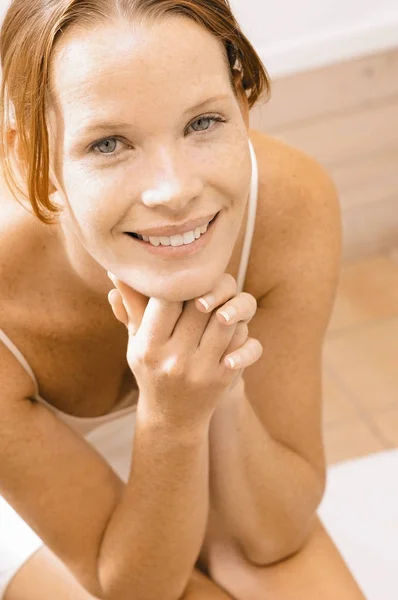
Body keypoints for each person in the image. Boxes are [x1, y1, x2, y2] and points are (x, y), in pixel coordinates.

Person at [0, 1, 366, 599]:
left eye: (203, 123)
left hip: (197, 423)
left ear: (242, 108)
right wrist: (170, 421)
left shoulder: (292, 205)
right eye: (109, 144)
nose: (175, 192)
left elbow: (273, 535)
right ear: (34, 164)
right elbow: (137, 590)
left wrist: (219, 384)